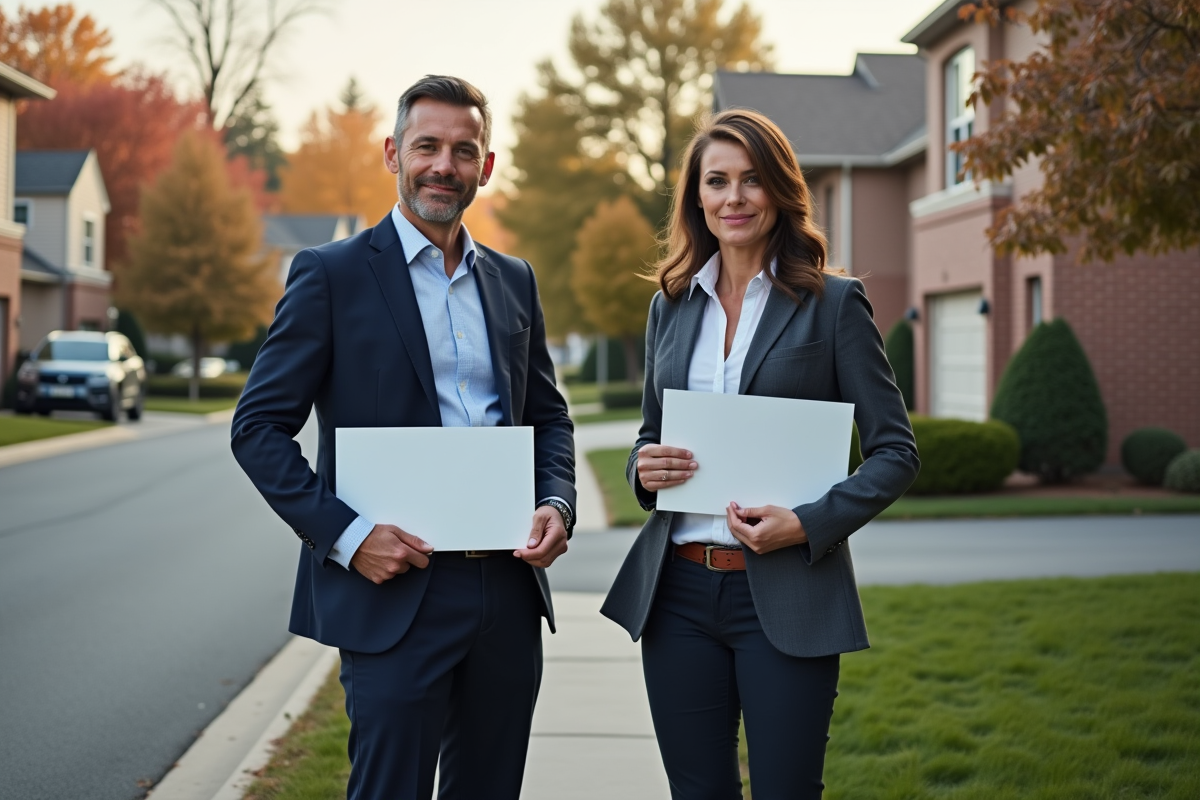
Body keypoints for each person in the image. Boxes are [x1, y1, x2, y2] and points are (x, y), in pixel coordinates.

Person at [231, 75, 576, 800]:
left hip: (506, 591)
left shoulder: (514, 281)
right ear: (393, 153)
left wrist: (558, 501)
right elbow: (258, 428)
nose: (443, 165)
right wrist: (351, 537)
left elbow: (548, 417)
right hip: (393, 592)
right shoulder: (331, 274)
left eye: (463, 149)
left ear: (487, 165)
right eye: (427, 146)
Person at [600, 109, 919, 799]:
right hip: (679, 593)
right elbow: (647, 436)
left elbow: (896, 451)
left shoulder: (834, 304)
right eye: (717, 181)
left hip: (787, 592)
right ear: (697, 198)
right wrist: (643, 470)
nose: (734, 197)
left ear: (778, 191)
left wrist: (808, 522)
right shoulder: (672, 304)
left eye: (751, 180)